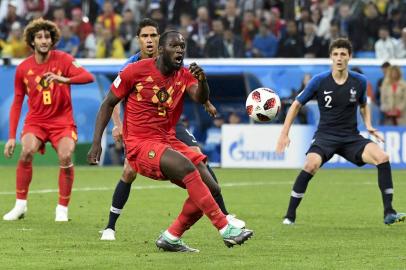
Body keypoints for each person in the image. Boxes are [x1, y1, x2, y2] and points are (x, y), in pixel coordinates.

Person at [88, 30, 253, 252]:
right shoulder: (133, 71)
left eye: (182, 47)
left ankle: (172, 236)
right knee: (187, 167)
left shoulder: (183, 75)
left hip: (167, 139)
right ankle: (225, 229)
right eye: (175, 46)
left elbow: (200, 97)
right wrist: (97, 141)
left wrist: (203, 81)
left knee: (211, 185)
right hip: (140, 144)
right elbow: (108, 103)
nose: (180, 51)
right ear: (162, 49)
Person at [276, 38, 405, 226]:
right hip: (325, 136)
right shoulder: (319, 81)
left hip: (351, 137)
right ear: (330, 57)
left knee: (383, 157)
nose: (339, 58)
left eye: (343, 54)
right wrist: (284, 133)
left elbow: (363, 104)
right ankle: (289, 215)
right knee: (310, 165)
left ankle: (389, 212)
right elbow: (296, 104)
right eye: (335, 54)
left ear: (349, 57)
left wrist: (368, 125)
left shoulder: (359, 81)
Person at [3, 18, 94, 222]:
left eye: (47, 36)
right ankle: (20, 206)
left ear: (52, 40)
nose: (44, 40)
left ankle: (62, 208)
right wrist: (11, 137)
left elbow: (88, 77)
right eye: (39, 37)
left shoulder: (64, 59)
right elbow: (17, 102)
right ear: (32, 41)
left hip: (62, 122)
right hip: (36, 122)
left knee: (65, 156)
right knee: (26, 152)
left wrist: (65, 79)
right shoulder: (23, 68)